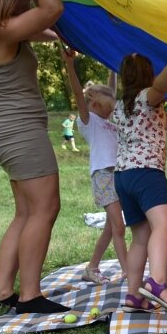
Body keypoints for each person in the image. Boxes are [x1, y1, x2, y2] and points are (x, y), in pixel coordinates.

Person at [0, 0, 69, 314]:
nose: (27, 8)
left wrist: (55, 37)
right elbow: (53, 8)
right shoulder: (4, 31)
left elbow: (43, 27)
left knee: (26, 213)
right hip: (21, 135)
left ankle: (1, 291)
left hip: (6, 133)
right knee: (46, 209)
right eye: (21, 4)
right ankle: (30, 295)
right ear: (7, 6)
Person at [112, 51, 167, 314]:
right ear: (148, 75)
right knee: (164, 225)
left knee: (140, 238)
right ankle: (157, 283)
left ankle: (133, 296)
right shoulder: (148, 97)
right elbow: (158, 89)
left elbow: (162, 125)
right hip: (146, 173)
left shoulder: (120, 106)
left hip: (123, 176)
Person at [61, 47, 127, 284]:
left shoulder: (109, 120)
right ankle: (129, 271)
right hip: (103, 175)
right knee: (118, 225)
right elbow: (79, 95)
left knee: (111, 228)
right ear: (95, 104)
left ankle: (91, 267)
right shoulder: (88, 121)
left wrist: (111, 63)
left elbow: (112, 88)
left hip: (117, 174)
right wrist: (70, 65)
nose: (112, 110)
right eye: (108, 107)